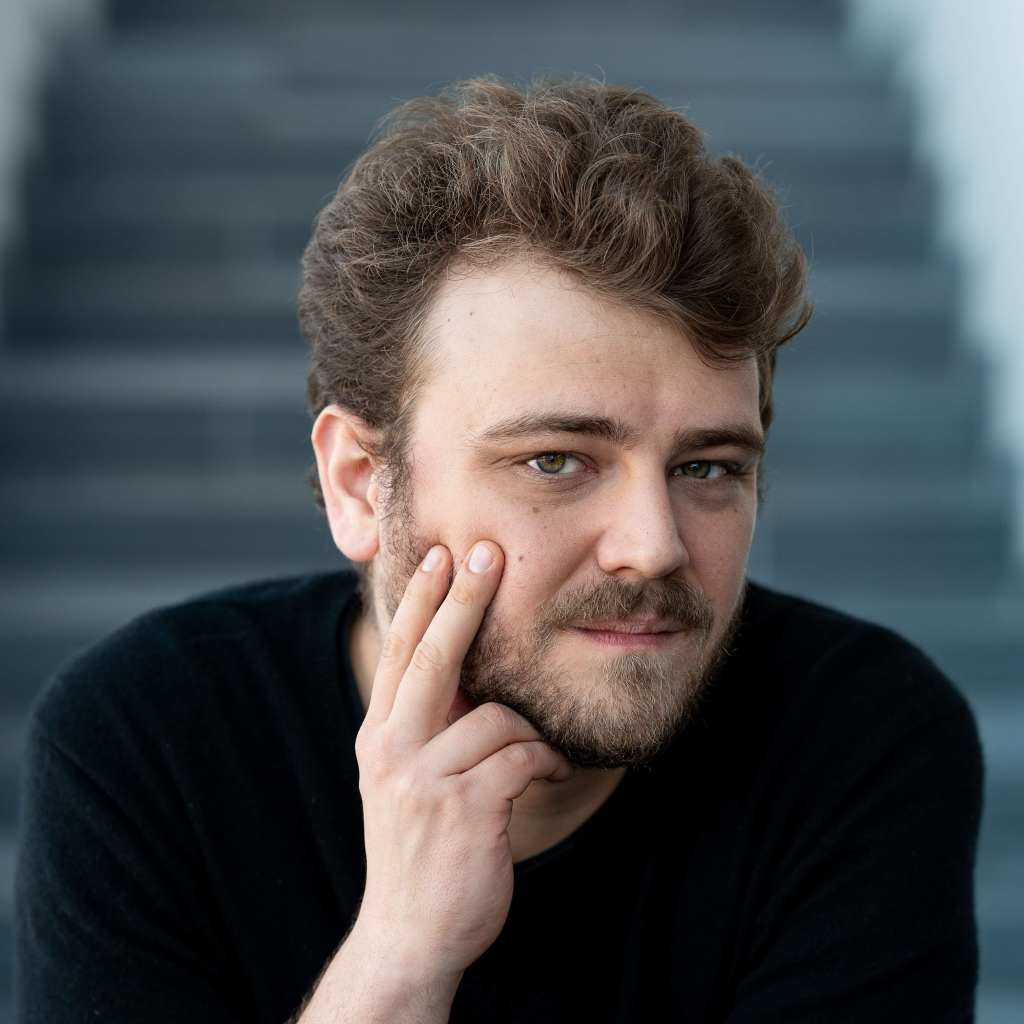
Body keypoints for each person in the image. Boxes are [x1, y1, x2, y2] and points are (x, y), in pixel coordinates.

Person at [15, 76, 984, 1023]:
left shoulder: (858, 738)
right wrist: (400, 955)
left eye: (707, 467)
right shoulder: (150, 742)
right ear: (359, 482)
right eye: (554, 460)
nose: (652, 547)